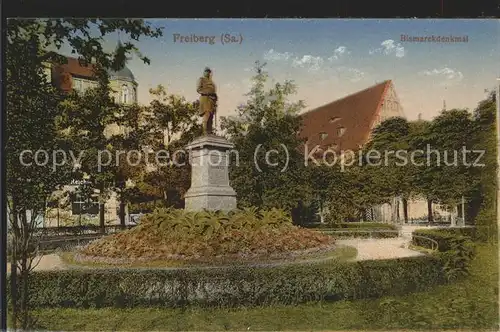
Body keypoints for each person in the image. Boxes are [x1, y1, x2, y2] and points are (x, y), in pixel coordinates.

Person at [196, 67, 218, 135]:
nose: (208, 73)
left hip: (212, 100)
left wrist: (215, 97)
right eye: (206, 71)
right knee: (207, 114)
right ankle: (205, 131)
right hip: (205, 98)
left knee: (211, 116)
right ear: (204, 72)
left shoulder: (212, 82)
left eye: (209, 72)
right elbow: (199, 89)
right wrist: (208, 93)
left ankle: (209, 131)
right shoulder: (201, 79)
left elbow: (213, 91)